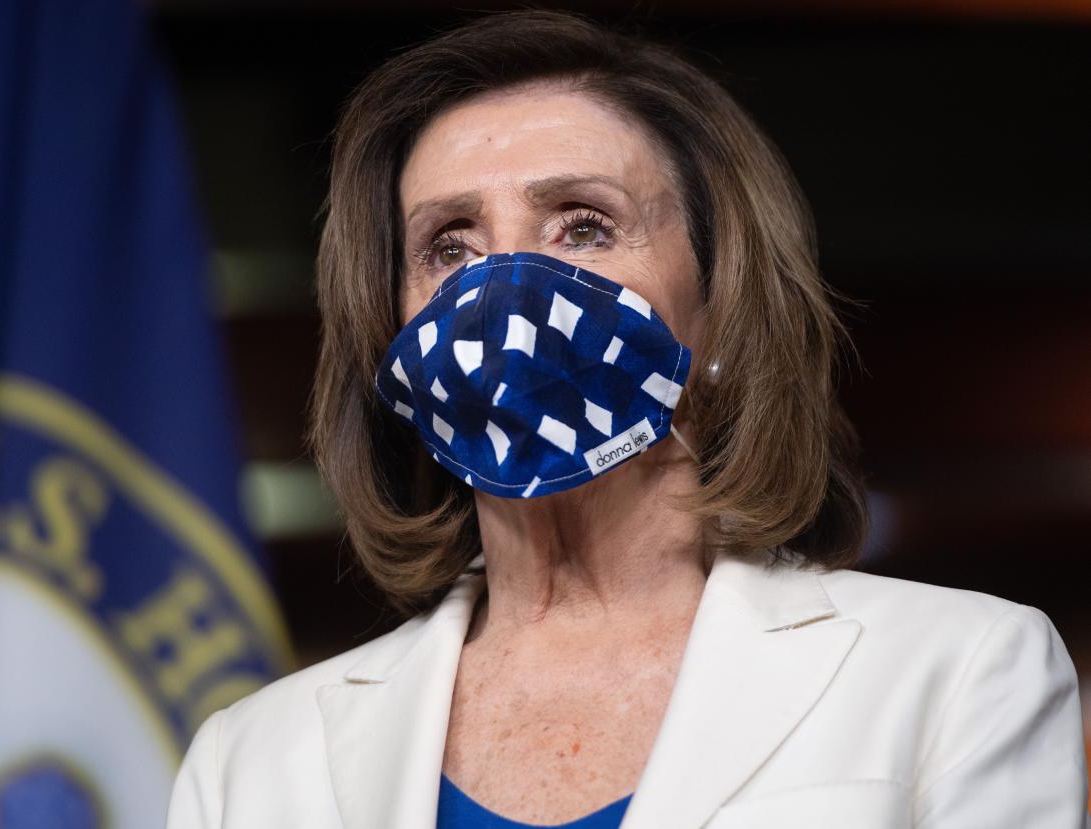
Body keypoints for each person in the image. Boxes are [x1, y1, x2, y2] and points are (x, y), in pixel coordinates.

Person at [166, 11, 1088, 828]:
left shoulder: (959, 671)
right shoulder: (249, 762)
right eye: (450, 244)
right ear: (392, 328)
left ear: (720, 306)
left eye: (582, 224)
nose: (506, 288)